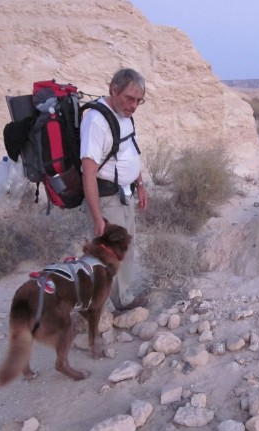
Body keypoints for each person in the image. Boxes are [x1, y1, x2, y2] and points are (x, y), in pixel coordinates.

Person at [80, 68, 148, 311]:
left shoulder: (124, 115)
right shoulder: (97, 121)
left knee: (125, 248)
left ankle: (122, 297)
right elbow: (88, 171)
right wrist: (98, 216)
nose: (134, 105)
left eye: (139, 100)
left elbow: (128, 150)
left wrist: (139, 183)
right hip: (108, 198)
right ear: (113, 89)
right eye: (130, 98)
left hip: (125, 193)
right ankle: (108, 303)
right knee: (110, 254)